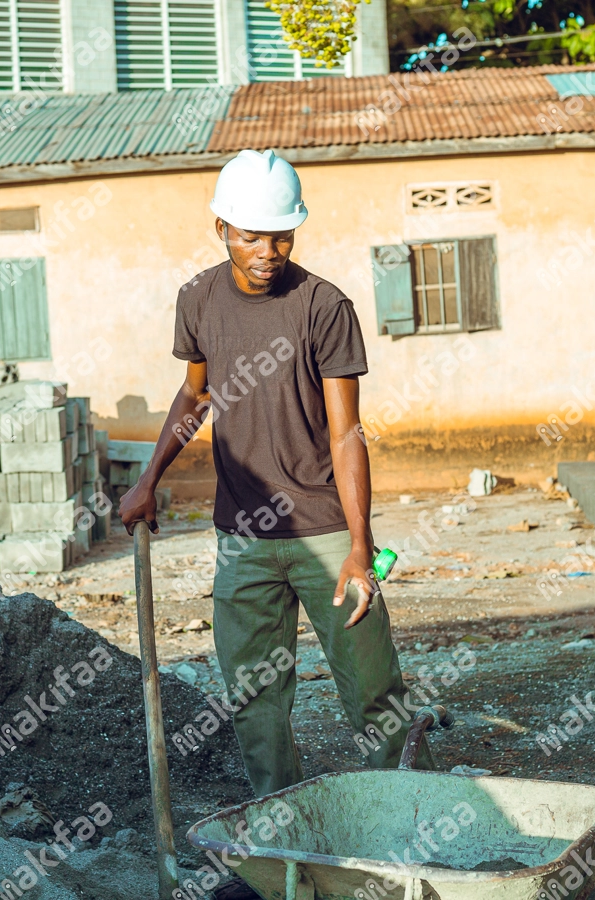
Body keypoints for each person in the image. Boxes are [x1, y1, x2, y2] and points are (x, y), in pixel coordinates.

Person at [119, 148, 429, 804]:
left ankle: (411, 830)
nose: (268, 250)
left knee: (376, 696)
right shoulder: (198, 299)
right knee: (256, 706)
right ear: (221, 229)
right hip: (244, 541)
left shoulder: (323, 306)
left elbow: (347, 432)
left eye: (281, 235)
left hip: (324, 533)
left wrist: (358, 545)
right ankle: (282, 846)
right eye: (251, 235)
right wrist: (149, 479)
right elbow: (195, 396)